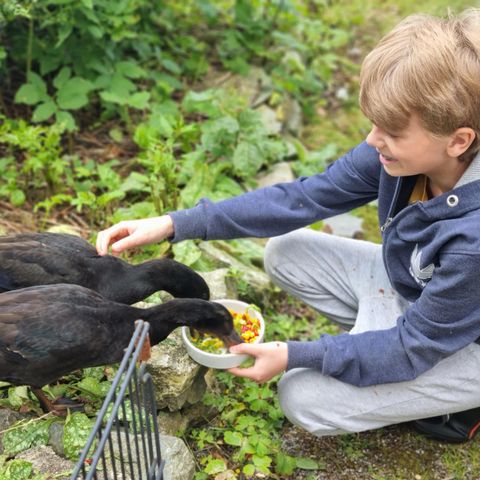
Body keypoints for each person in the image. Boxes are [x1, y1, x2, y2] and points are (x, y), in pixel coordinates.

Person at [96, 9, 480, 437]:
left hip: (459, 340)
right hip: (420, 295)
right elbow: (303, 197)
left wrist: (295, 354)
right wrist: (173, 223)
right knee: (287, 251)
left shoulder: (473, 242)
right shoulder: (398, 155)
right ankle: (375, 355)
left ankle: (456, 400)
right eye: (374, 123)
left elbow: (414, 345)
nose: (373, 140)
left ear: (459, 140)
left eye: (390, 130)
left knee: (301, 396)